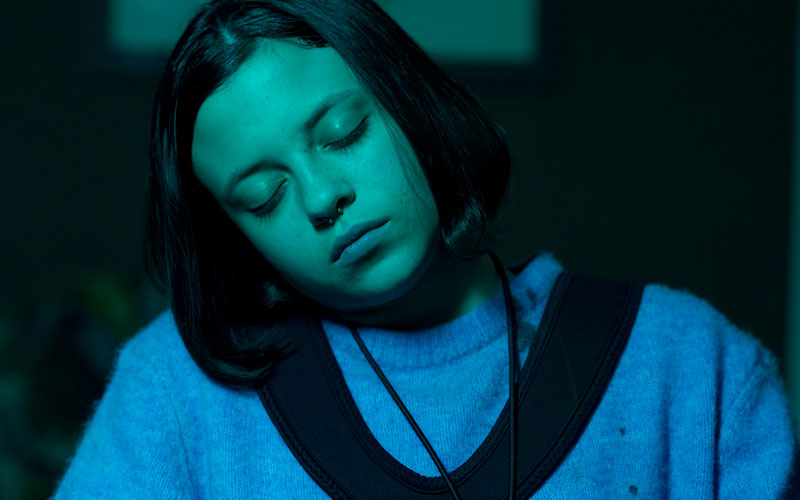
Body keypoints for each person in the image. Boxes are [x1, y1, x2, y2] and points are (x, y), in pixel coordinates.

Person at [52, 0, 799, 498]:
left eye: (344, 134)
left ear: (410, 103)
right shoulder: (174, 392)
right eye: (265, 196)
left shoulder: (690, 366)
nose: (322, 197)